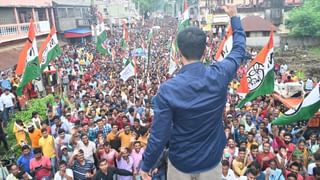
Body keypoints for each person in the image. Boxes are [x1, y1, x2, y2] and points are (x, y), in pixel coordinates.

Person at [140, 5, 246, 179]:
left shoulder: (167, 90)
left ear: (179, 51)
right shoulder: (220, 74)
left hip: (181, 164)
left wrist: (146, 165)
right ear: (205, 51)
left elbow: (159, 135)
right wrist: (234, 17)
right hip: (211, 163)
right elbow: (239, 50)